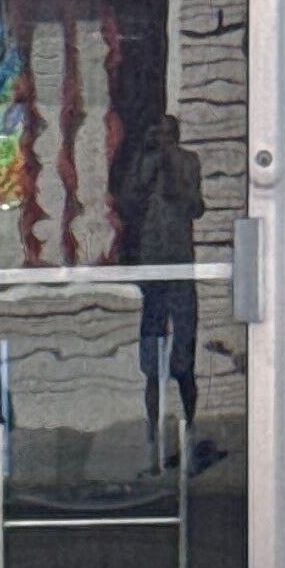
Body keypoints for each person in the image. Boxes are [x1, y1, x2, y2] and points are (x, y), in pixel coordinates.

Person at [120, 112, 210, 474]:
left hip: (180, 263)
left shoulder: (188, 162)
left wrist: (172, 163)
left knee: (184, 356)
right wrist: (147, 160)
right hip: (153, 264)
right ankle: (153, 439)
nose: (164, 140)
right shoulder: (143, 163)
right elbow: (128, 201)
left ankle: (189, 429)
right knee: (151, 356)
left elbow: (195, 206)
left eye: (169, 134)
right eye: (159, 134)